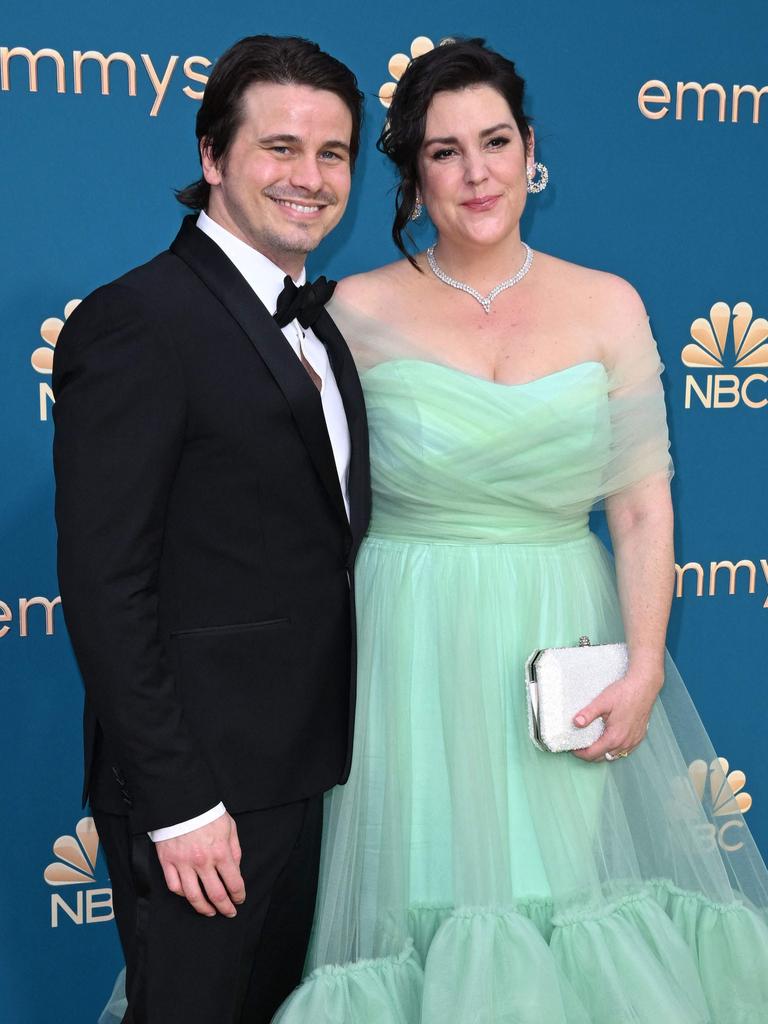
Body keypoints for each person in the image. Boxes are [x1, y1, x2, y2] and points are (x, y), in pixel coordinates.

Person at [272, 38, 768, 1024]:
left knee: (557, 900)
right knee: (423, 903)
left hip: (560, 639)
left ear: (530, 148)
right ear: (414, 172)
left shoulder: (608, 304)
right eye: (446, 151)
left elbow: (639, 504)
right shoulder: (348, 313)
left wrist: (645, 667)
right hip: (405, 643)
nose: (477, 172)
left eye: (495, 141)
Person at [52, 34, 370, 1024]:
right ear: (210, 156)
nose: (309, 179)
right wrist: (181, 802)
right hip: (201, 795)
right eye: (279, 148)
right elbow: (107, 585)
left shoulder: (314, 321)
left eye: (333, 154)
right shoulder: (139, 320)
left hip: (299, 774)